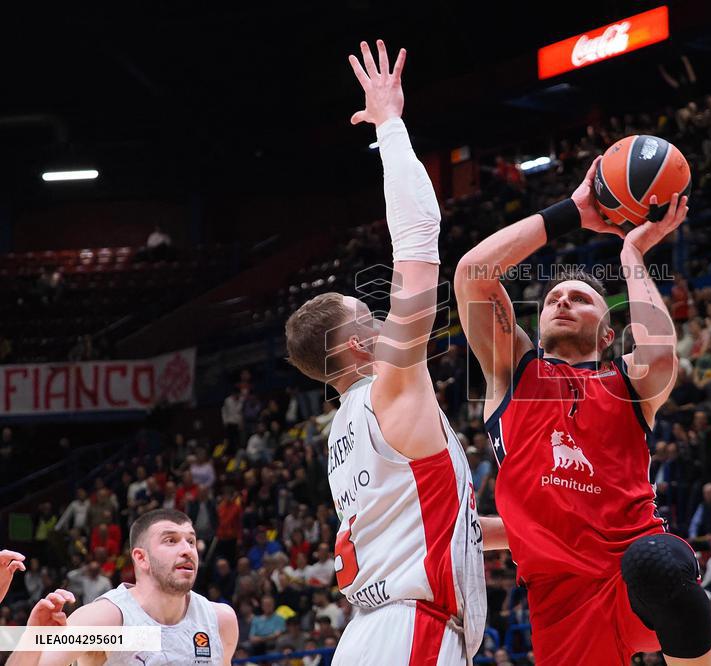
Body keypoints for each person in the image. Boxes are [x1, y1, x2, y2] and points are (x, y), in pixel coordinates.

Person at [282, 40, 502, 665]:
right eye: (370, 316)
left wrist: (535, 532)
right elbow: (418, 238)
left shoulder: (343, 433)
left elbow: (430, 531)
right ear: (356, 344)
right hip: (411, 635)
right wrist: (390, 125)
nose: (383, 320)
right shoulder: (390, 388)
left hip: (370, 637)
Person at [456, 138, 711, 661]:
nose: (563, 300)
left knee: (660, 562)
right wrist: (571, 212)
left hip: (633, 573)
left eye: (580, 298)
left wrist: (633, 253)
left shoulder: (626, 385)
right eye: (554, 298)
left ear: (606, 335)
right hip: (561, 601)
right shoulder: (516, 374)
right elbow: (473, 275)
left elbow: (662, 356)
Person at [10, 509, 237, 666]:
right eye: (171, 540)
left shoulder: (220, 620)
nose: (187, 550)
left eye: (191, 541)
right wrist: (32, 637)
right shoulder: (105, 621)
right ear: (141, 558)